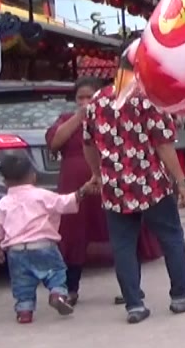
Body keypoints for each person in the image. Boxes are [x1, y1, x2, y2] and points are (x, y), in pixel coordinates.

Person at [83, 77, 185, 324]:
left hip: (115, 186)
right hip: (150, 183)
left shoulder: (97, 100)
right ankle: (180, 296)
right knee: (171, 237)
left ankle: (134, 305)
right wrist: (181, 181)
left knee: (123, 246)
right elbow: (163, 144)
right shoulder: (149, 98)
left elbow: (88, 143)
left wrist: (98, 174)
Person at [46, 77, 162, 305]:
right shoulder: (67, 119)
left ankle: (131, 290)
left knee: (122, 236)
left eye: (90, 96)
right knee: (74, 236)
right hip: (77, 188)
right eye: (81, 97)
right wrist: (81, 116)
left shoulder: (112, 114)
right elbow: (55, 142)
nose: (85, 101)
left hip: (112, 182)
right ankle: (71, 289)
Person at [0, 154, 98, 323]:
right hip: (44, 246)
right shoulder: (42, 195)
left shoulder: (3, 203)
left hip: (16, 251)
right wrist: (82, 190)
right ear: (33, 176)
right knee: (56, 273)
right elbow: (65, 202)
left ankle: (24, 311)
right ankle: (58, 294)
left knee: (21, 283)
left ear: (5, 182)